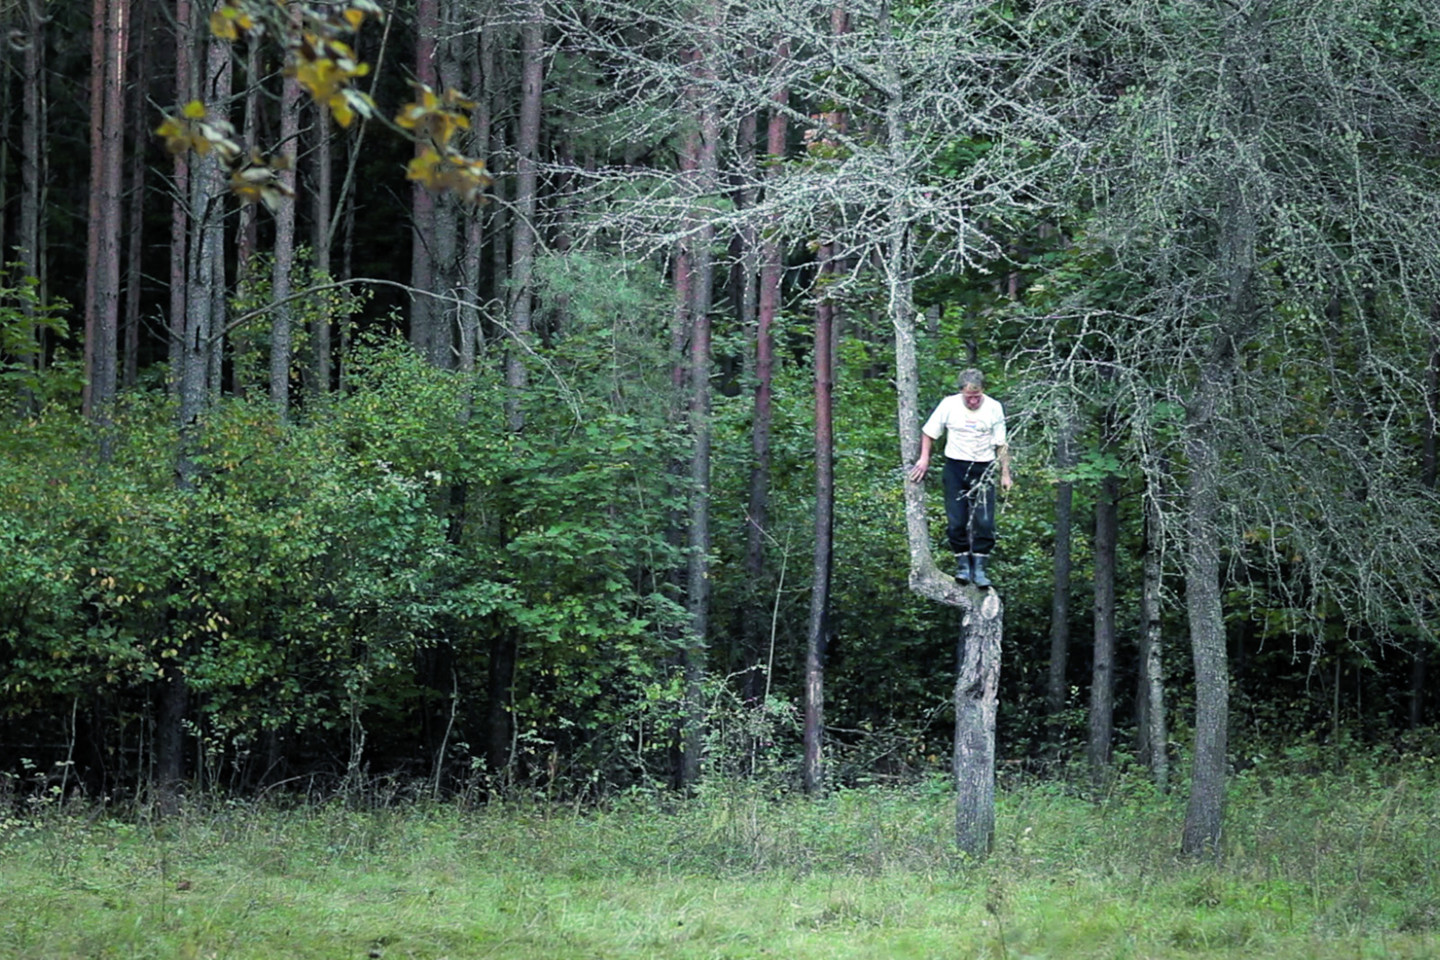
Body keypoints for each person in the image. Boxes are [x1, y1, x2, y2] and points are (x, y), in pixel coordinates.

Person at [907, 368, 1012, 587]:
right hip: (955, 466)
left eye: (977, 397)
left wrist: (1005, 473)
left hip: (983, 467)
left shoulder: (993, 407)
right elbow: (929, 432)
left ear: (983, 391)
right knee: (957, 521)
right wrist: (924, 459)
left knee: (985, 521)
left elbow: (1002, 443)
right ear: (961, 392)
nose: (973, 401)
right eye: (969, 397)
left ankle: (980, 567)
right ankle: (963, 565)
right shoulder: (949, 405)